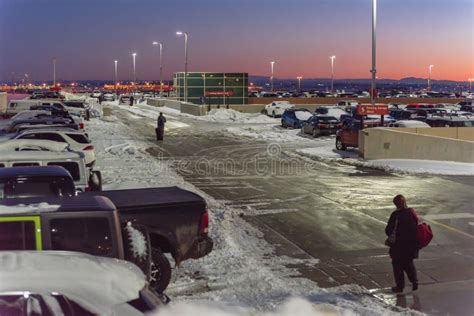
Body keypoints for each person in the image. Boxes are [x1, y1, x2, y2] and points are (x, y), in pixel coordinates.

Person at [385, 195, 419, 293]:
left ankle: (400, 286)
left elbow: (388, 230)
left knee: (397, 265)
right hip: (411, 244)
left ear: (396, 204)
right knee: (408, 263)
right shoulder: (411, 212)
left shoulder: (395, 215)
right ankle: (414, 281)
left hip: (398, 245)